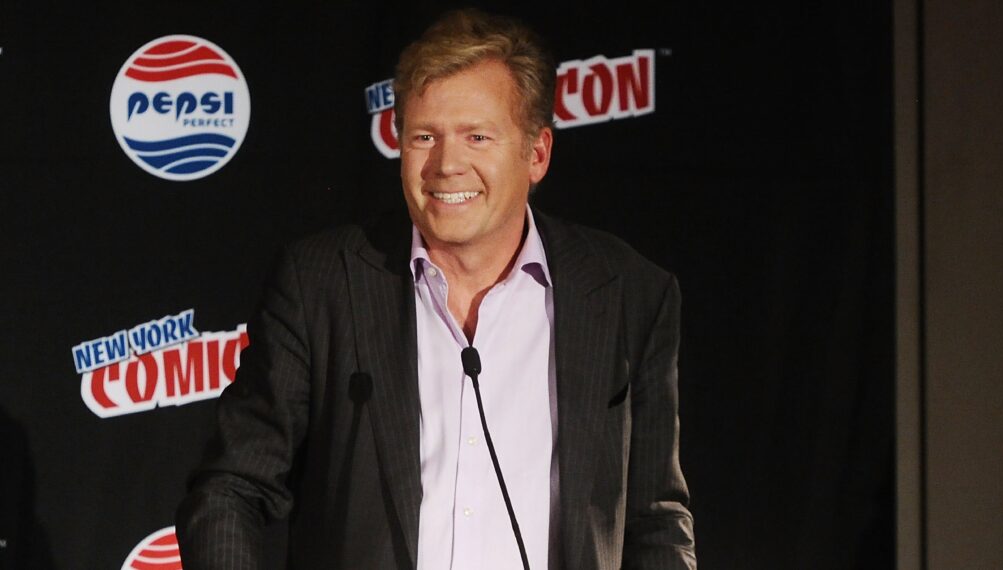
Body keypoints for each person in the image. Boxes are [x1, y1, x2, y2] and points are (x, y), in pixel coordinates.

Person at [177, 8, 695, 569]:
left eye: (477, 136)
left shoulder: (629, 295)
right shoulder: (322, 283)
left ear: (537, 153)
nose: (447, 165)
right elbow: (230, 489)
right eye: (425, 136)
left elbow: (655, 521)